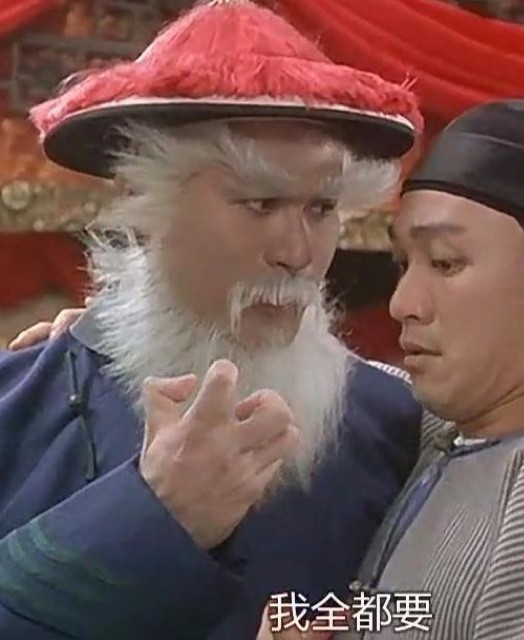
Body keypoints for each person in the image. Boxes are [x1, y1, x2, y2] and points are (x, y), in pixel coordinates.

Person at [0, 2, 431, 639]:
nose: (298, 253)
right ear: (140, 200)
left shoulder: (399, 421)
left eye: (321, 208)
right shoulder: (19, 405)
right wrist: (152, 516)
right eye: (259, 203)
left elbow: (443, 607)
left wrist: (327, 624)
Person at [331, 99, 524, 639]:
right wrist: (306, 620)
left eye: (446, 262)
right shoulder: (455, 436)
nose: (403, 302)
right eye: (403, 264)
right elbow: (427, 611)